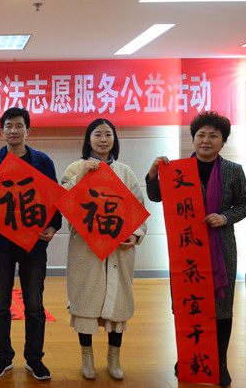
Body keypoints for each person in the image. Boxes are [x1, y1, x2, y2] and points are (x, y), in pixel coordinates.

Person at [145, 111, 246, 388]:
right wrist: (153, 175)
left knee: (221, 306)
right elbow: (156, 197)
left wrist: (225, 217)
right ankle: (187, 356)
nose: (206, 140)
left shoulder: (233, 170)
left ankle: (220, 363)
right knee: (187, 303)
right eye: (201, 135)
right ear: (193, 139)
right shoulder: (178, 170)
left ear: (223, 141)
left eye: (213, 135)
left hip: (221, 247)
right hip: (187, 247)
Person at [0, 108, 62, 381]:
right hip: (0, 245)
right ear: (1, 131)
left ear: (28, 130)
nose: (14, 130)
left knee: (34, 304)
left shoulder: (43, 162)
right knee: (0, 303)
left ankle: (35, 359)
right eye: (9, 126)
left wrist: (53, 226)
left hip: (33, 244)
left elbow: (54, 199)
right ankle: (2, 357)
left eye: (19, 126)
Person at [60, 118, 146, 381]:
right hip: (86, 250)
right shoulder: (75, 168)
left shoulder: (125, 172)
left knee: (117, 304)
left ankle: (113, 358)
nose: (103, 139)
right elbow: (63, 202)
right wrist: (81, 176)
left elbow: (138, 208)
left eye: (108, 134)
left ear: (114, 140)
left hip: (118, 250)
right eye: (97, 134)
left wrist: (135, 234)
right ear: (88, 139)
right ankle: (86, 358)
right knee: (85, 302)